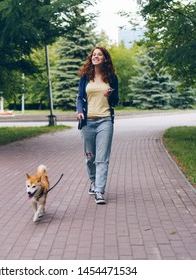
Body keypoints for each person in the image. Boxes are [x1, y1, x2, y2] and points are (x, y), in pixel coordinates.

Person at [76, 46, 119, 205]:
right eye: (94, 54)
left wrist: (111, 94)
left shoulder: (112, 77)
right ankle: (93, 182)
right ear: (91, 58)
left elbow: (115, 101)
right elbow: (80, 98)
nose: (96, 56)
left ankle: (99, 191)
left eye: (99, 54)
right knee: (90, 157)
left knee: (102, 159)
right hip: (88, 122)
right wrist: (80, 111)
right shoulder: (85, 77)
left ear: (105, 58)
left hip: (105, 121)